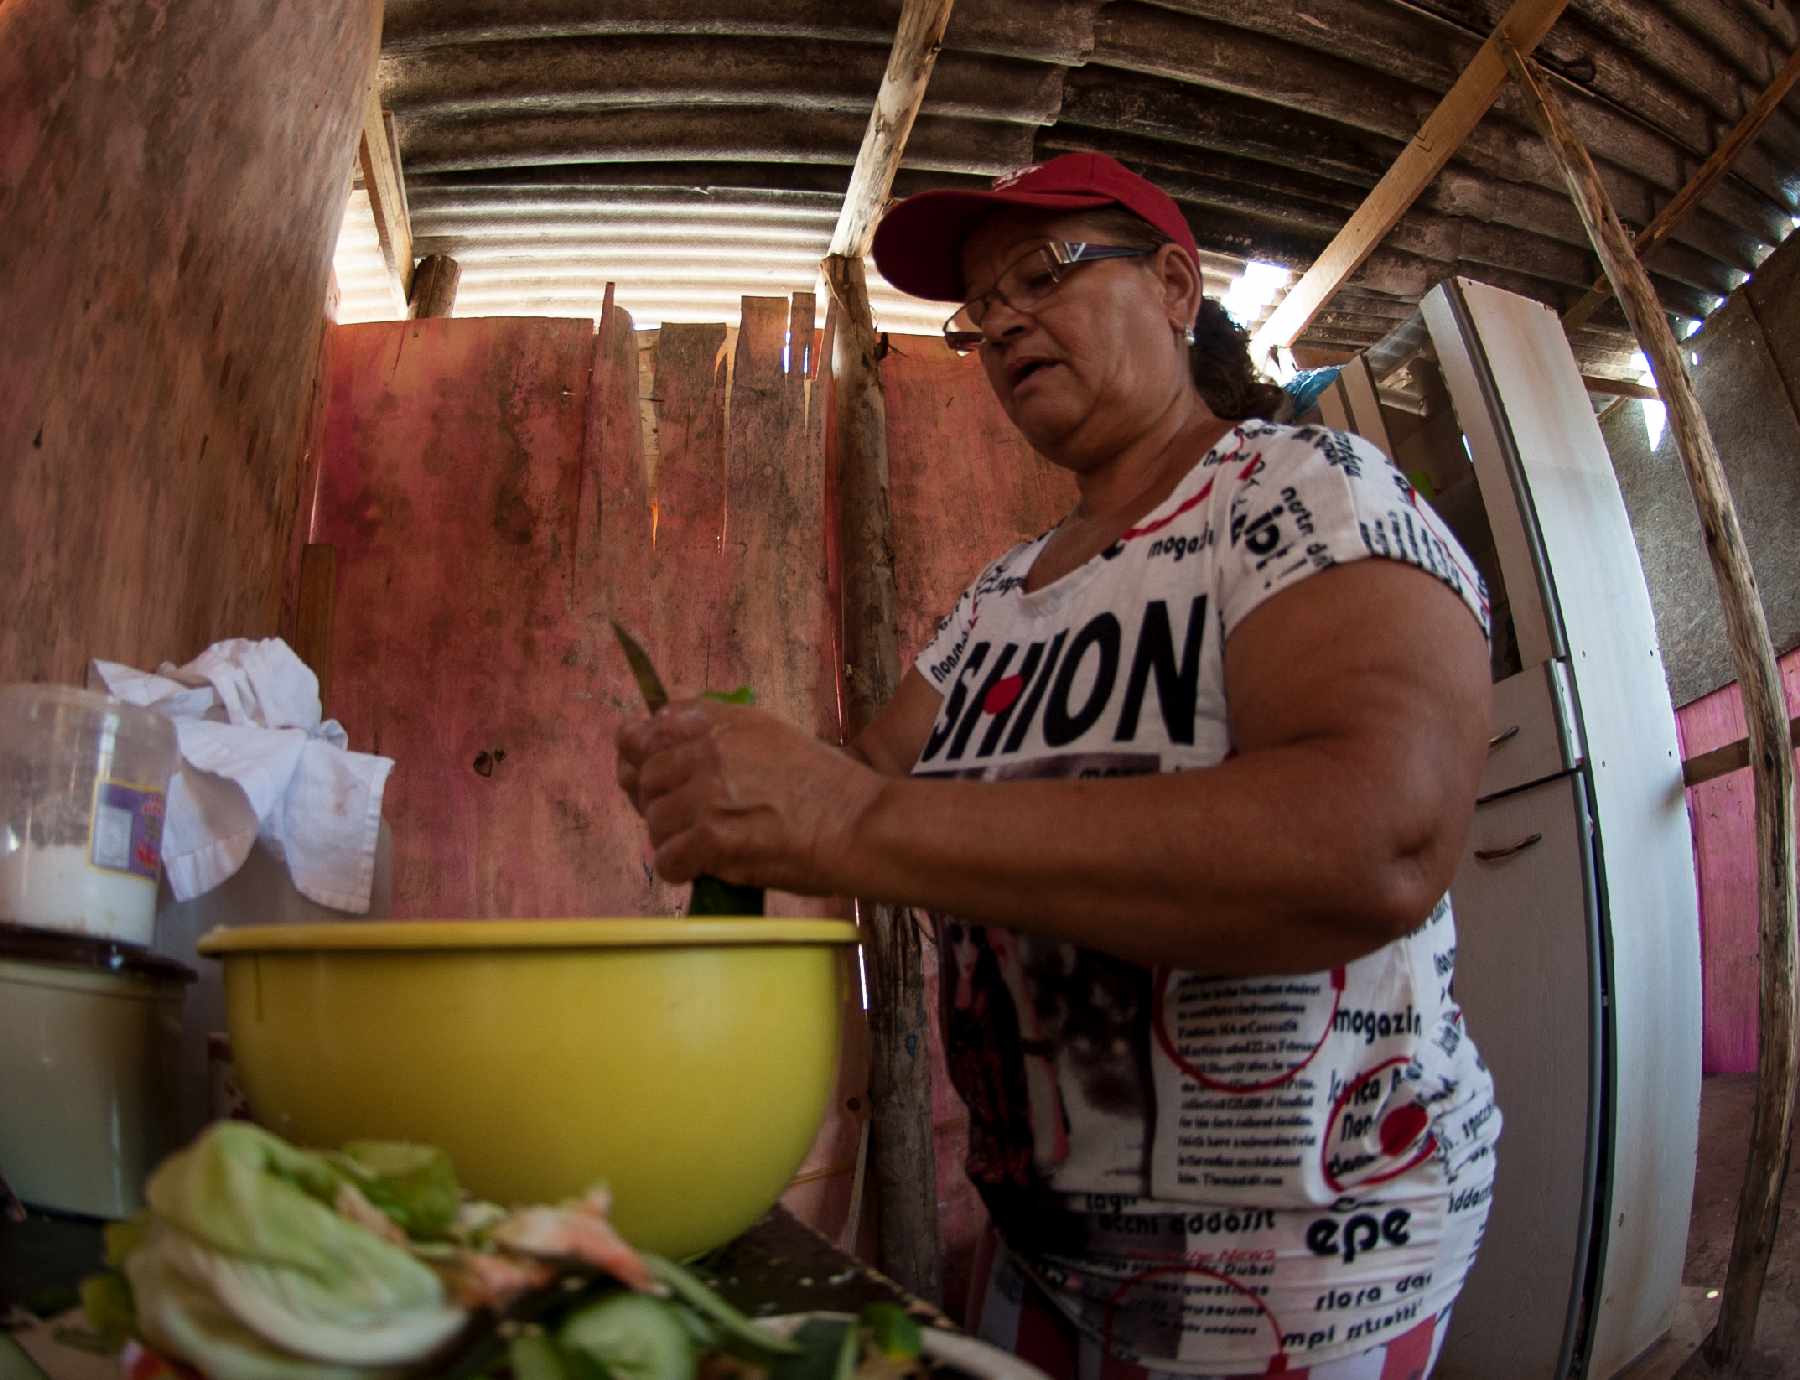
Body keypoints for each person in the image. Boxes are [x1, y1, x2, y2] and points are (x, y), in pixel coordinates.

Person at [616, 152, 1500, 1379]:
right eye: (981, 311)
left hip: (1294, 1275)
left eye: (1045, 272)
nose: (1005, 322)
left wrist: (851, 819)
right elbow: (858, 773)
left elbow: (1376, 842)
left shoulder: (1301, 491)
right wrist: (718, 770)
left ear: (1178, 286)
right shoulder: (996, 602)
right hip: (1043, 1252)